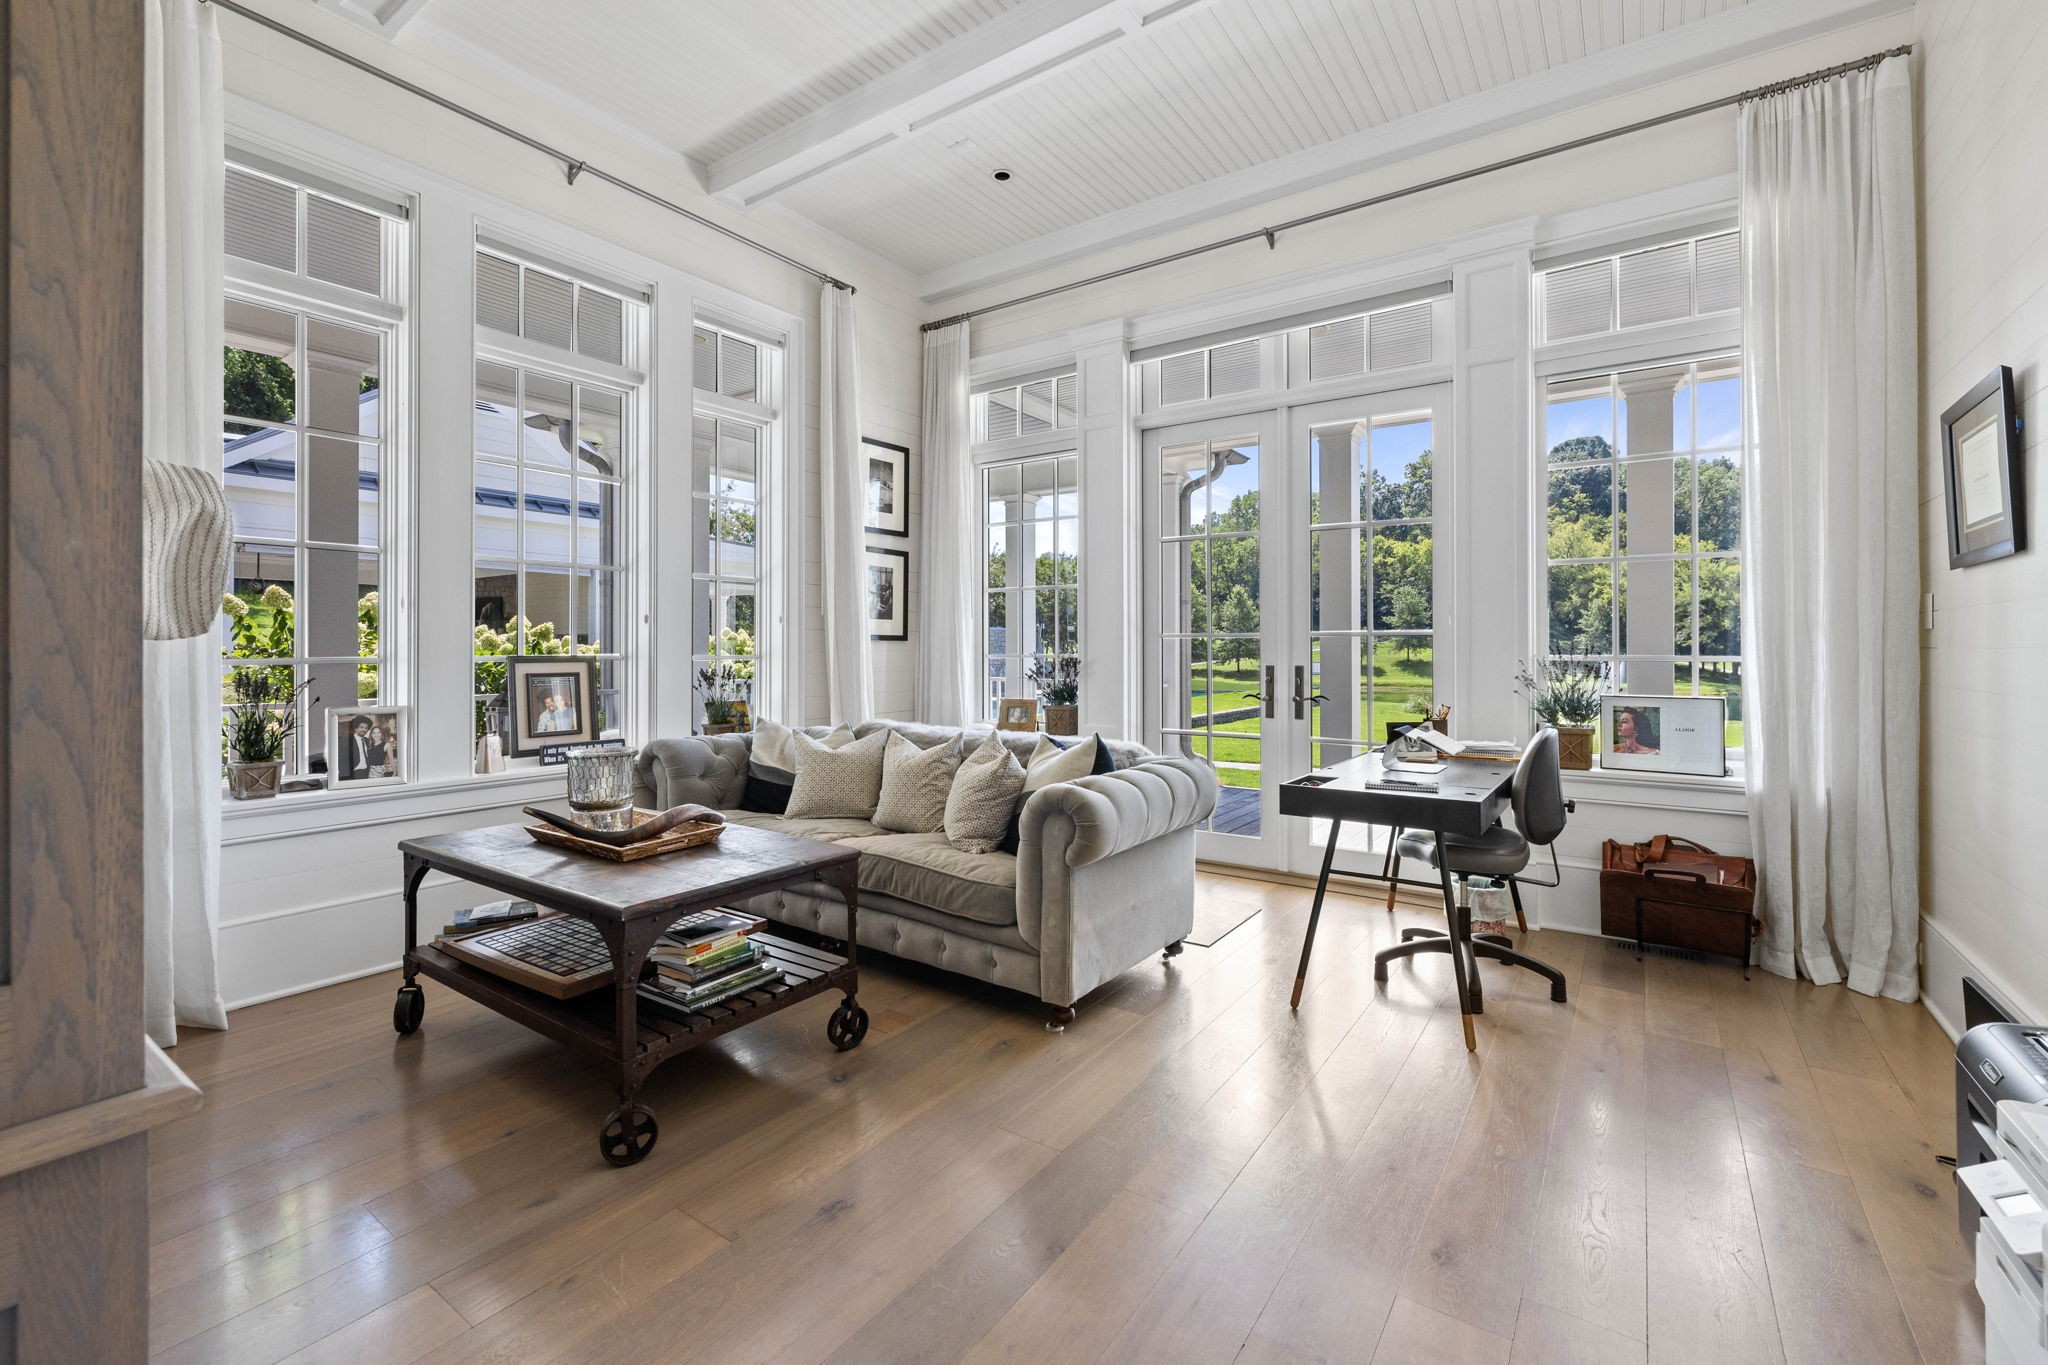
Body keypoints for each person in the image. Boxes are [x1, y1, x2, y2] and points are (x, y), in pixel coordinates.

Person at [339, 716, 373, 780]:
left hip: (366, 772)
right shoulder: (347, 741)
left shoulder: (367, 740)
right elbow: (342, 760)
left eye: (366, 728)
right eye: (361, 727)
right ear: (355, 728)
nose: (364, 729)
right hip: (353, 773)